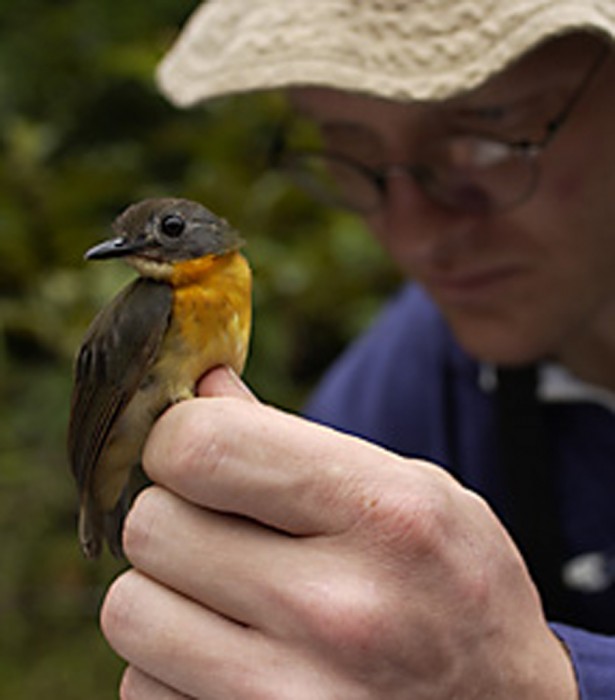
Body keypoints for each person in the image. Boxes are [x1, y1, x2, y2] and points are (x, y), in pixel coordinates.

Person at [100, 1, 615, 698]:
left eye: (492, 139)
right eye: (351, 152)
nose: (414, 233)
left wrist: (538, 683)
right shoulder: (396, 395)